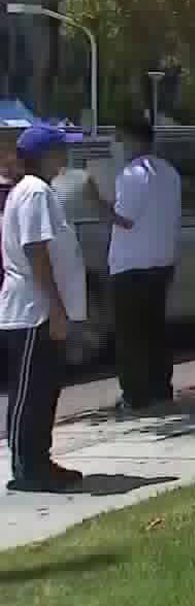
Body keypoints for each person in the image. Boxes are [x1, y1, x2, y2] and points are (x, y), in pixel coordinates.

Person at [1, 124, 89, 492]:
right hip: (32, 310)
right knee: (30, 392)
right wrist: (54, 307)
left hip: (39, 308)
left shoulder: (38, 191)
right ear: (46, 154)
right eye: (60, 149)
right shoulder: (35, 192)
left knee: (44, 389)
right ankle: (28, 467)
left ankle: (39, 460)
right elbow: (36, 252)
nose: (65, 156)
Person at [91, 117, 182, 413]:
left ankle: (135, 394)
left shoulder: (131, 175)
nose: (116, 146)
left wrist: (94, 201)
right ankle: (160, 388)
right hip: (162, 261)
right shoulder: (169, 172)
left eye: (119, 138)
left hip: (132, 266)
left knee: (130, 334)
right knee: (154, 330)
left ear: (133, 139)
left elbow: (123, 219)